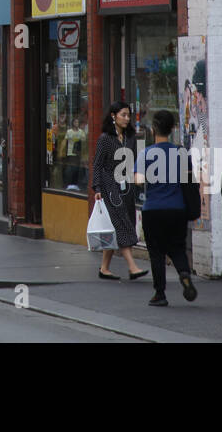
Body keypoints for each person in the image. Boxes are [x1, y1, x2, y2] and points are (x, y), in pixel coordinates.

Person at [134, 110, 197, 307]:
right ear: (172, 129)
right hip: (177, 208)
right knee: (177, 247)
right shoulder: (181, 153)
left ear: (153, 129)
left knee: (156, 252)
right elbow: (188, 180)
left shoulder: (146, 153)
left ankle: (159, 294)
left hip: (153, 209)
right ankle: (184, 273)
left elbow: (137, 180)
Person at [90, 102, 148, 281]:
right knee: (122, 224)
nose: (127, 118)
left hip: (127, 187)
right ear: (113, 116)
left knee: (118, 224)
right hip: (110, 187)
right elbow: (97, 165)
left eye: (129, 115)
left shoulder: (130, 137)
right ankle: (132, 267)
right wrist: (97, 188)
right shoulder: (105, 139)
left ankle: (104, 268)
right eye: (123, 115)